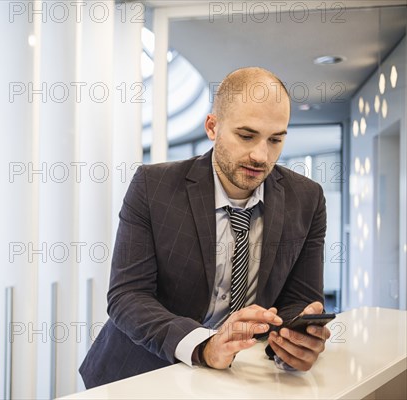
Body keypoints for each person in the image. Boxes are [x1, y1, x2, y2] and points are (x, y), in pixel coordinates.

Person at [79, 67, 331, 388]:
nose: (260, 155)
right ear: (213, 127)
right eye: (246, 135)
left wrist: (295, 341)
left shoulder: (307, 198)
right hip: (140, 373)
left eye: (276, 139)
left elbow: (300, 298)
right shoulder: (152, 186)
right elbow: (127, 296)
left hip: (239, 379)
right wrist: (204, 346)